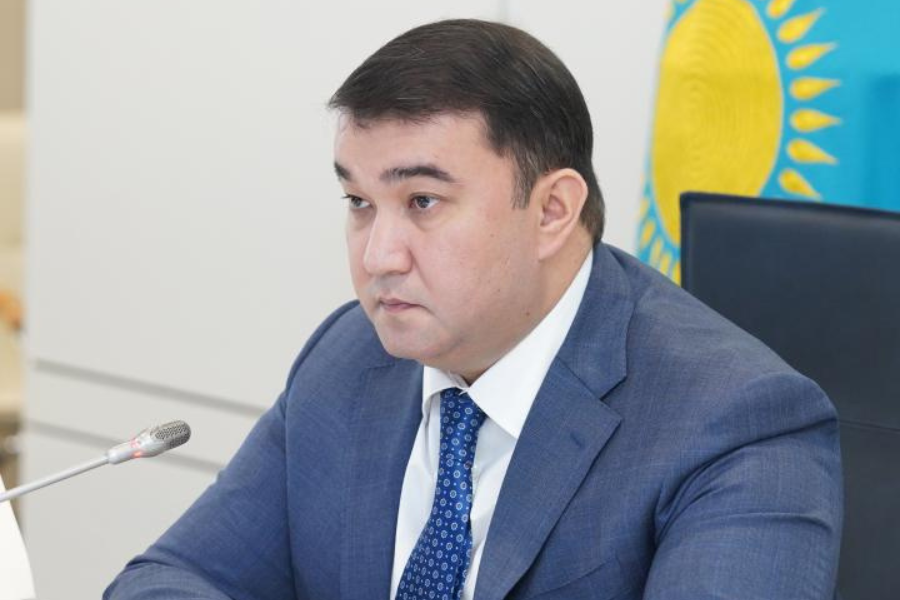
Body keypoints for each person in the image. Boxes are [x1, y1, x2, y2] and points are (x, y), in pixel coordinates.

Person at [104, 19, 842, 600]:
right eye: (359, 202)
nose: (377, 256)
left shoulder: (736, 424)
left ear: (552, 210)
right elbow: (169, 580)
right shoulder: (350, 355)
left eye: (423, 201)